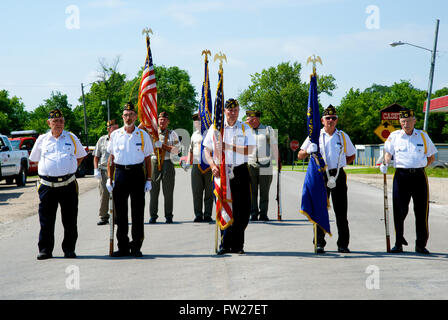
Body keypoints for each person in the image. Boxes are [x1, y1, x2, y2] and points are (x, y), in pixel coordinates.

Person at [29, 108, 87, 260]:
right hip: (47, 186)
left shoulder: (71, 137)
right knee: (46, 221)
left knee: (69, 220)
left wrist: (69, 167)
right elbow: (34, 159)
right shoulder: (42, 140)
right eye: (55, 121)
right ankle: (45, 250)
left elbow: (80, 156)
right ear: (49, 123)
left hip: (68, 184)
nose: (58, 124)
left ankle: (69, 249)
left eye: (61, 121)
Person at [298, 105, 356, 254]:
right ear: (322, 120)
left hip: (338, 175)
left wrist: (341, 164)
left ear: (337, 120)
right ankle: (319, 243)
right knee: (319, 209)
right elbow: (300, 155)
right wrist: (307, 151)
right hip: (320, 176)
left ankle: (343, 244)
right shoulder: (315, 135)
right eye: (328, 118)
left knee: (341, 212)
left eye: (333, 118)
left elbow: (352, 155)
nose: (331, 120)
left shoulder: (342, 136)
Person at [380, 108, 437, 254]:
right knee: (399, 210)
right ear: (400, 122)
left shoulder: (422, 136)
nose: (406, 124)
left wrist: (420, 166)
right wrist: (386, 163)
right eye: (403, 121)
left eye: (408, 121)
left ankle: (421, 244)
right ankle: (398, 243)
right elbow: (388, 153)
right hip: (401, 176)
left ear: (414, 121)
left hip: (419, 176)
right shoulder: (394, 136)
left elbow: (431, 157)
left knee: (422, 211)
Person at [203, 98, 255, 255]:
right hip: (221, 171)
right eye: (230, 110)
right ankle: (224, 244)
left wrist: (229, 147)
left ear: (238, 111)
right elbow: (206, 149)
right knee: (224, 207)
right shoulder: (216, 128)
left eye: (235, 110)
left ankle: (238, 244)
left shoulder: (245, 128)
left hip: (240, 171)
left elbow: (249, 150)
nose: (233, 113)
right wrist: (212, 165)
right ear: (224, 111)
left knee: (242, 209)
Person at [106, 102, 153, 257]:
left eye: (131, 114)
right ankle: (123, 246)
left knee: (138, 212)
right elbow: (110, 159)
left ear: (135, 116)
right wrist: (109, 179)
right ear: (122, 116)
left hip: (137, 174)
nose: (128, 117)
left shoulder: (142, 135)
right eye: (125, 115)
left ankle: (136, 246)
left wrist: (149, 179)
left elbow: (147, 159)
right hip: (120, 174)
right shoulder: (115, 135)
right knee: (120, 213)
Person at [246, 110, 280, 222]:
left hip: (265, 164)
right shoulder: (246, 131)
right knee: (252, 191)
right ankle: (253, 213)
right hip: (251, 164)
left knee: (264, 191)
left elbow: (274, 146)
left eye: (248, 119)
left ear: (255, 119)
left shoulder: (267, 129)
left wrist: (277, 161)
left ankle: (263, 213)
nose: (246, 121)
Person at [148, 111, 180, 224]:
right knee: (153, 191)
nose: (162, 121)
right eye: (160, 119)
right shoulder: (152, 133)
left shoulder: (173, 134)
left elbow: (177, 150)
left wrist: (163, 146)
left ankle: (168, 216)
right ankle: (153, 215)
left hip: (167, 162)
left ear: (168, 122)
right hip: (154, 163)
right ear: (157, 121)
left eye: (164, 120)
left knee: (168, 192)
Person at [185, 113, 214, 223]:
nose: (197, 123)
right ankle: (198, 214)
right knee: (196, 191)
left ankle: (207, 214)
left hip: (209, 165)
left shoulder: (210, 134)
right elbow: (191, 150)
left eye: (199, 121)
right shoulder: (194, 135)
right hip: (196, 165)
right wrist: (188, 162)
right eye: (195, 121)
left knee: (209, 192)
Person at [93, 119, 119, 225]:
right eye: (113, 128)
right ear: (108, 128)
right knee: (104, 194)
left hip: (117, 170)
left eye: (117, 127)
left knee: (117, 194)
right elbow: (96, 156)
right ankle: (104, 216)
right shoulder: (102, 140)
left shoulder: (120, 139)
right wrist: (95, 170)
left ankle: (117, 217)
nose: (116, 129)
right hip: (103, 170)